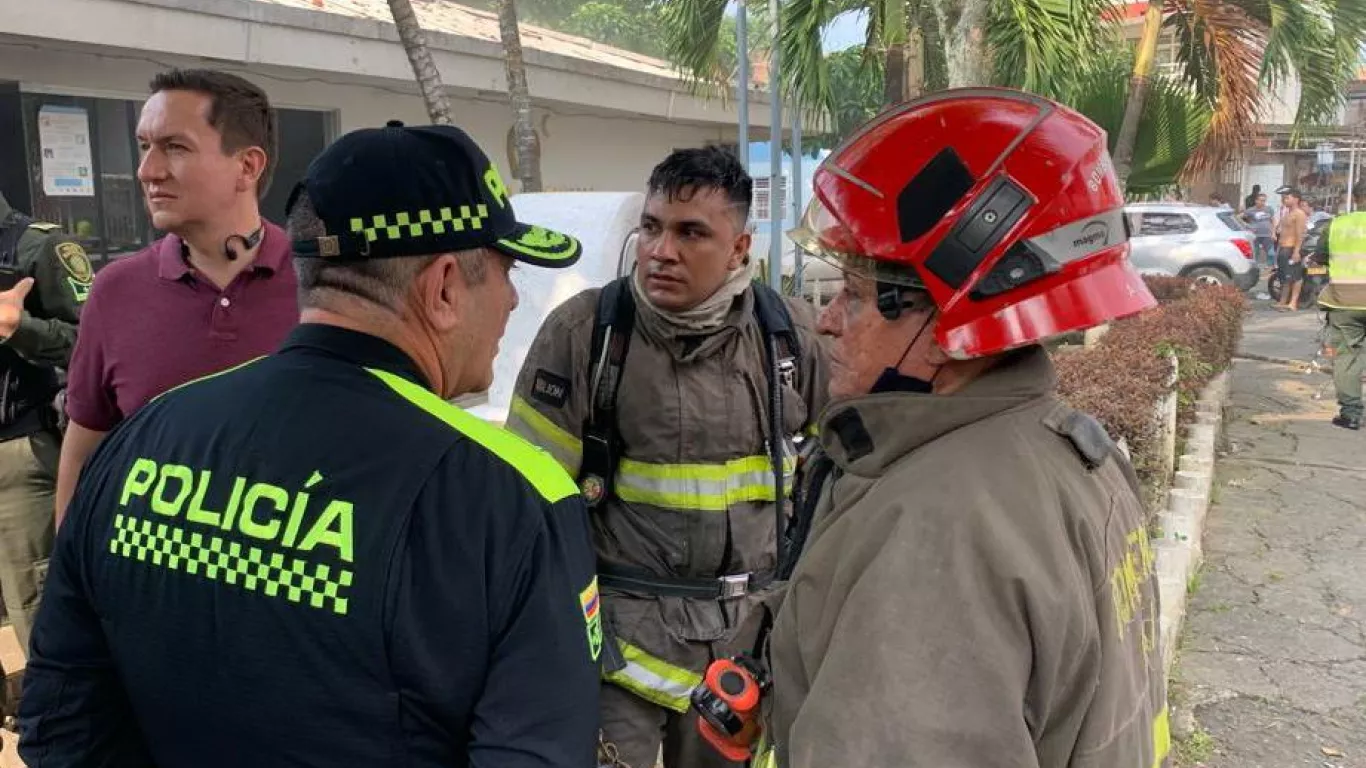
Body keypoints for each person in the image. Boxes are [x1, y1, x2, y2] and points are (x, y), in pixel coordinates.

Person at [19, 120, 601, 767]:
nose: (515, 299)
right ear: (442, 288)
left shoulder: (150, 433)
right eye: (504, 271)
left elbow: (63, 715)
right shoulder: (514, 494)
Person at [764, 88, 1169, 768]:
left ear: (950, 329)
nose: (828, 319)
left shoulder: (936, 536)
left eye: (857, 295)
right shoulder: (1070, 454)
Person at [506, 146, 829, 768]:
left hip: (747, 650)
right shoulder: (585, 333)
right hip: (618, 651)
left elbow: (832, 491)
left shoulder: (793, 338)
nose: (661, 250)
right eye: (651, 227)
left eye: (691, 233)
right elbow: (526, 508)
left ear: (740, 247)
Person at [55, 68, 298, 525]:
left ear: (247, 166)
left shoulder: (324, 287)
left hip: (293, 583)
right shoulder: (116, 291)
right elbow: (84, 451)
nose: (148, 171)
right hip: (150, 583)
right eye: (145, 146)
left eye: (175, 147)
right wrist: (70, 585)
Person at [0, 192, 89, 663]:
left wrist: (20, 328)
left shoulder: (38, 247)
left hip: (16, 451)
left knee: (38, 610)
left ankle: (56, 721)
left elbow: (94, 344)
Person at [1312, 211, 1366, 430]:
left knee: (1346, 357)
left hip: (1345, 301)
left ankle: (1351, 414)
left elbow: (1321, 257)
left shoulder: (1336, 225)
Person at [1274, 187, 1309, 311]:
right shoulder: (1287, 213)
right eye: (1283, 197)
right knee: (1284, 277)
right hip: (1283, 248)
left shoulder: (1299, 214)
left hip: (1291, 248)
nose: (1284, 199)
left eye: (1287, 197)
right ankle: (1283, 301)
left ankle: (1293, 302)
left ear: (1296, 199)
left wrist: (1296, 251)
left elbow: (1300, 234)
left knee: (1295, 276)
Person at [1241, 192, 1276, 268]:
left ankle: (1270, 267)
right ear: (1256, 200)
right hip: (1255, 235)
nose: (1262, 202)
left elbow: (1273, 220)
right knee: (1255, 252)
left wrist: (1273, 233)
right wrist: (1247, 226)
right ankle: (1254, 268)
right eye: (1260, 200)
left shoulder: (1269, 209)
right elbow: (1240, 218)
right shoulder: (1250, 210)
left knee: (1271, 253)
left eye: (1264, 201)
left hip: (1267, 234)